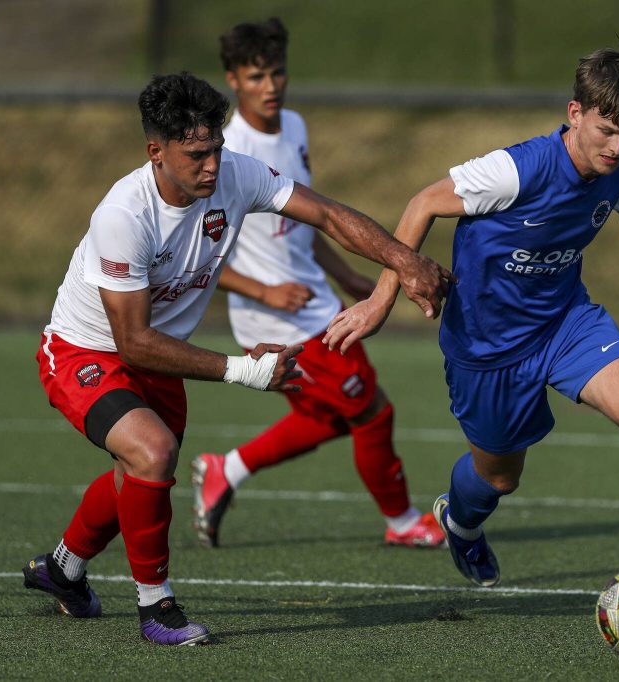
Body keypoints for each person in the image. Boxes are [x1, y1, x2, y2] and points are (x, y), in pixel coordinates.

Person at [21, 72, 452, 646]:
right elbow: (132, 341)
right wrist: (242, 368)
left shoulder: (236, 174)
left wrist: (404, 259)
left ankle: (63, 569)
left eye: (217, 149)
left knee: (141, 467)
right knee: (152, 451)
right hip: (84, 351)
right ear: (156, 152)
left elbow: (325, 214)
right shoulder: (124, 216)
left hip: (160, 357)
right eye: (196, 154)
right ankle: (157, 608)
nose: (212, 166)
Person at [324, 48, 619, 618]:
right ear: (574, 112)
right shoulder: (516, 169)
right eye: (606, 131)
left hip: (565, 322)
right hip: (487, 347)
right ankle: (459, 521)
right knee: (499, 477)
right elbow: (423, 203)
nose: (616, 148)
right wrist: (382, 298)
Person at [189, 18, 445, 551]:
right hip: (273, 318)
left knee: (331, 416)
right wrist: (263, 292)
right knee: (372, 410)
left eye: (278, 72)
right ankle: (402, 522)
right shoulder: (225, 151)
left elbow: (303, 218)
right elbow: (197, 256)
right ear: (233, 79)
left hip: (317, 302)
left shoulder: (296, 128)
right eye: (257, 75)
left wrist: (347, 274)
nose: (271, 85)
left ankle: (226, 469)